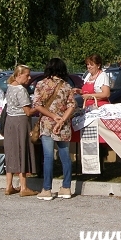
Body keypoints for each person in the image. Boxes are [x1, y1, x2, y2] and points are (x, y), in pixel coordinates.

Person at [33, 58, 76, 200]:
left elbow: (37, 105)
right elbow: (72, 106)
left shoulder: (41, 84)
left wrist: (52, 116)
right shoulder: (67, 86)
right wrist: (62, 119)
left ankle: (46, 189)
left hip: (47, 124)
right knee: (65, 156)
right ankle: (66, 187)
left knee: (48, 156)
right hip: (63, 125)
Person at [3, 64, 39, 197]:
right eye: (27, 75)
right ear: (19, 75)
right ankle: (24, 187)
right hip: (20, 121)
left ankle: (8, 185)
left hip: (9, 121)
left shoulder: (10, 87)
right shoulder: (21, 90)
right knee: (22, 150)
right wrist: (39, 107)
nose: (29, 78)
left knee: (11, 150)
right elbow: (28, 112)